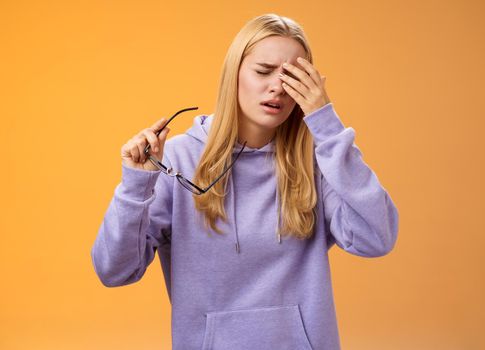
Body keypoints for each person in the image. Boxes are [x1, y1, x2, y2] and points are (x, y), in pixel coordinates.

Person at [91, 13, 399, 350]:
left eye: (294, 77)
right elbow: (115, 271)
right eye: (263, 71)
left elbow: (377, 238)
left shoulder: (318, 160)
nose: (278, 87)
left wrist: (327, 126)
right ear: (233, 74)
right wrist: (136, 185)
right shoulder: (177, 159)